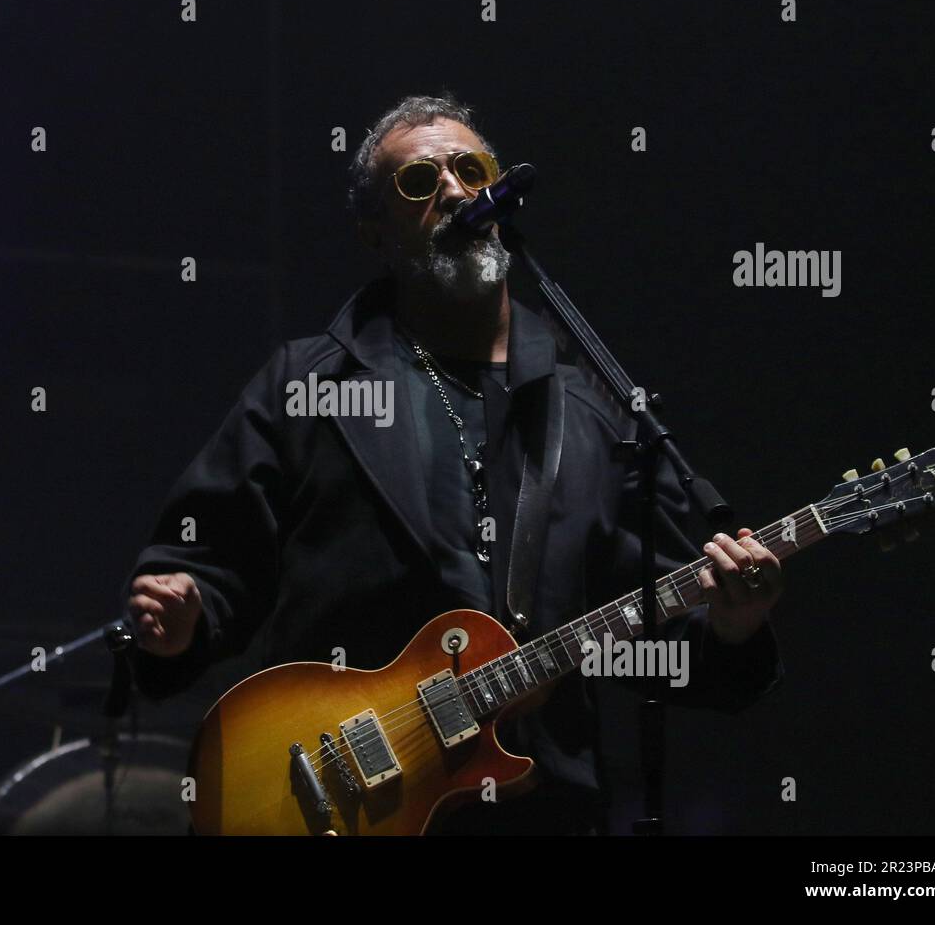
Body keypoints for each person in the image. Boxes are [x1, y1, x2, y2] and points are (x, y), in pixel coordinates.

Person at [124, 94, 784, 834]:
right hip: (350, 800)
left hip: (540, 813)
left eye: (473, 169)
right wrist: (184, 618)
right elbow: (209, 561)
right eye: (418, 181)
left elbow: (655, 632)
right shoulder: (310, 387)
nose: (455, 189)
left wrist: (731, 628)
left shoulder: (591, 413)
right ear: (375, 231)